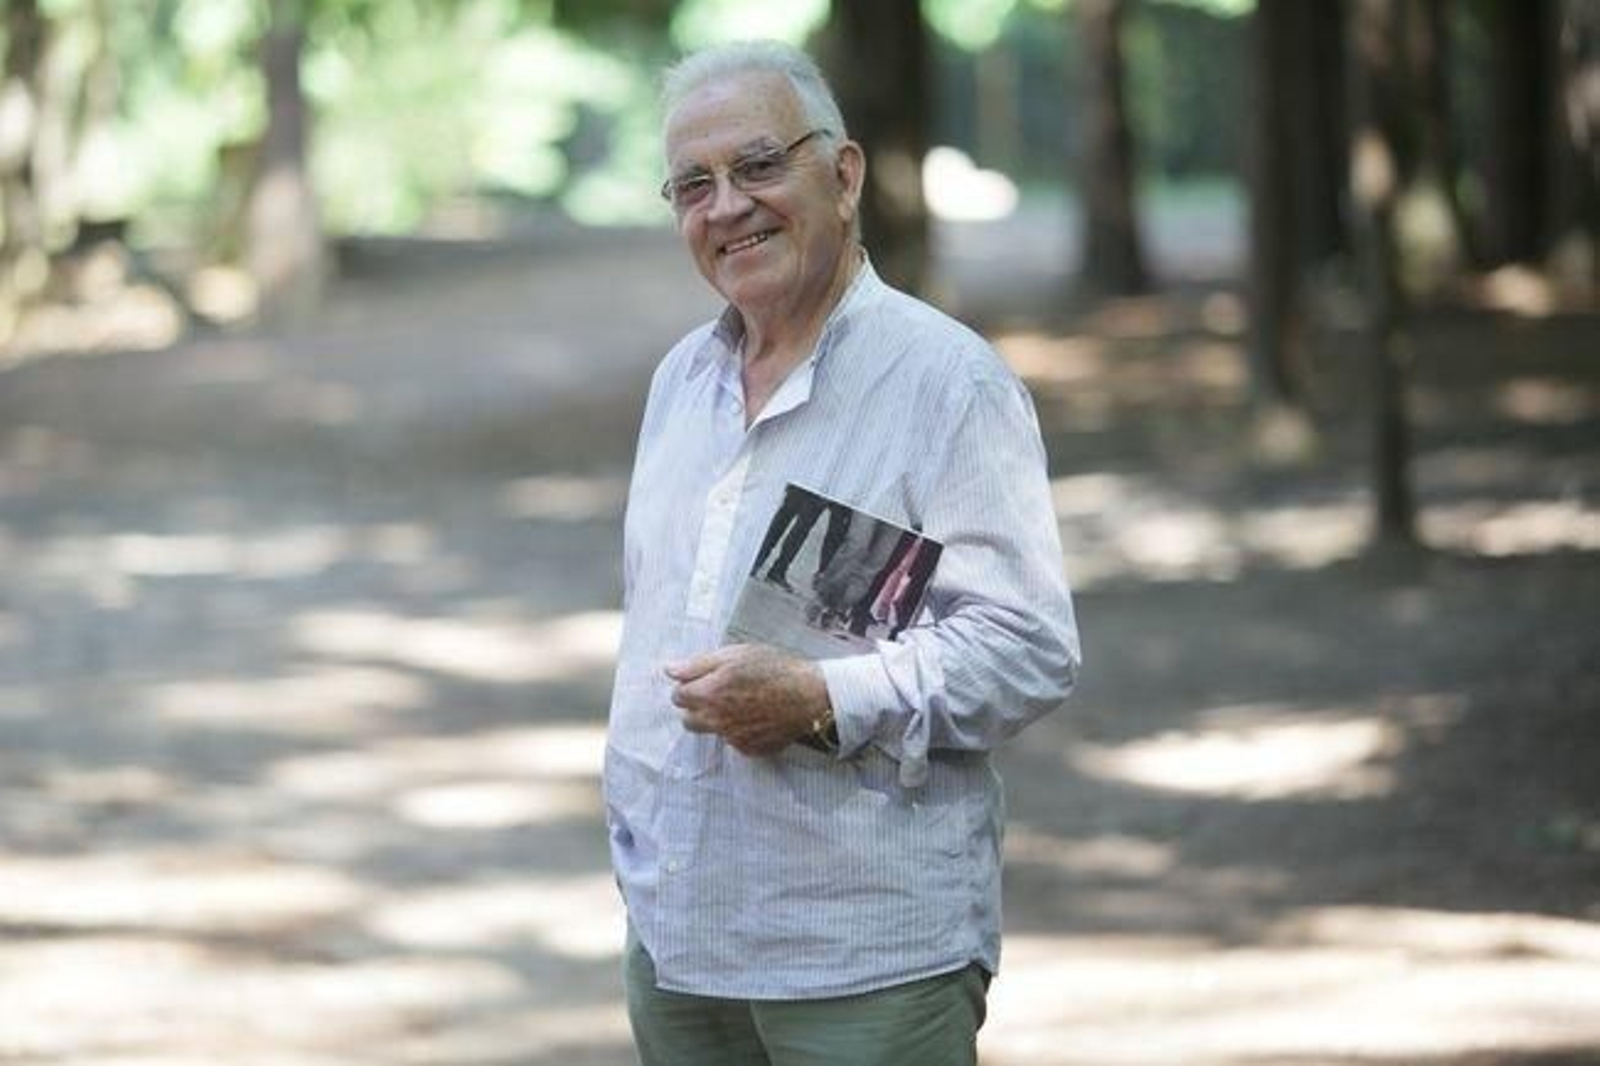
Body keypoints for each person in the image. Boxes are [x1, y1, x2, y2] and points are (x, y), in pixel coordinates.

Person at [605, 39, 1080, 1066]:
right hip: (680, 944)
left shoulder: (948, 386)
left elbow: (1029, 648)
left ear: (845, 174)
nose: (726, 206)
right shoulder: (679, 384)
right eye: (693, 185)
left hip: (865, 956)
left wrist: (825, 699)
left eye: (759, 165)